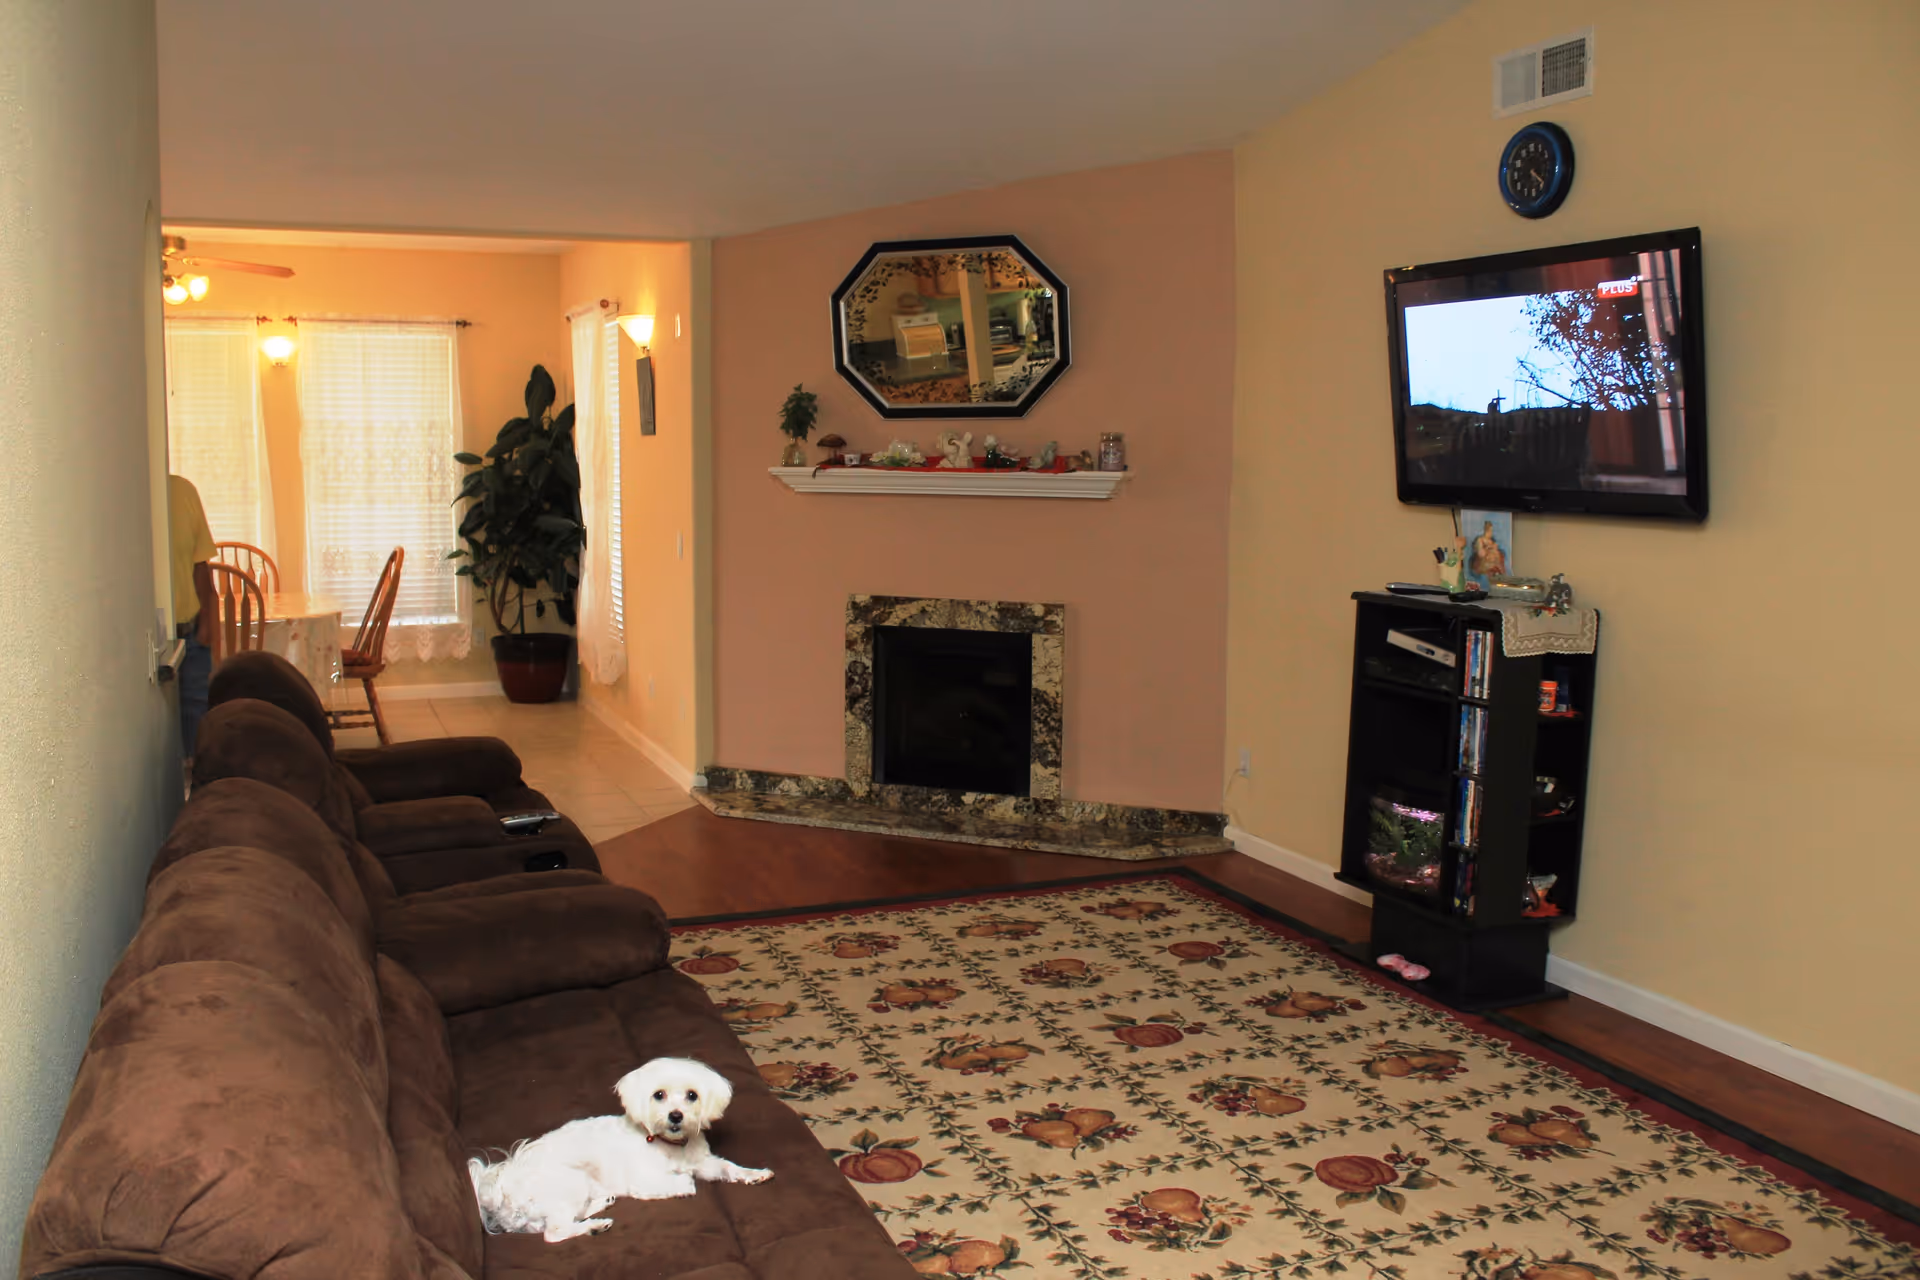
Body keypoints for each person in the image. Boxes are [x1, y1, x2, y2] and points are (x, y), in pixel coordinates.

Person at [169, 474, 218, 761]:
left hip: (191, 640)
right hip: (146, 648)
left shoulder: (183, 491)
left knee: (197, 748)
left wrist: (208, 623)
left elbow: (201, 564)